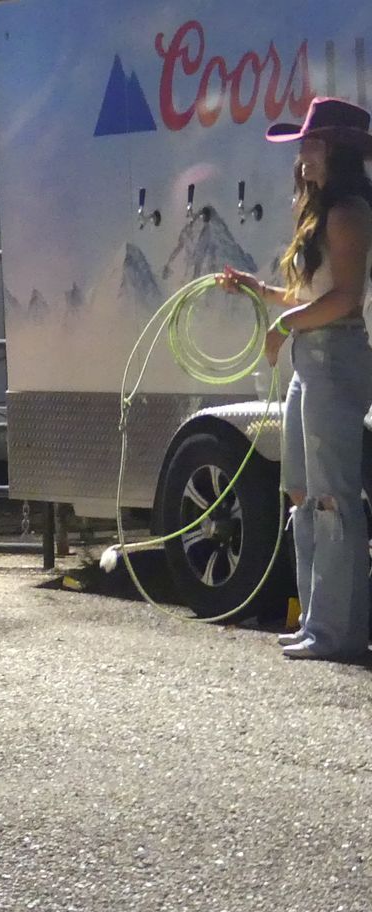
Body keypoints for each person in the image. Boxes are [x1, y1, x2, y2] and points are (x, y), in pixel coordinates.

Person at [219, 97, 372, 663]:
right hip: (314, 358)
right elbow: (312, 298)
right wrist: (261, 293)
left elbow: (345, 300)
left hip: (335, 357)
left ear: (335, 151)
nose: (302, 155)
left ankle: (338, 630)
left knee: (332, 497)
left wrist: (285, 322)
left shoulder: (347, 213)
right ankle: (317, 620)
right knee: (303, 491)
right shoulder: (323, 213)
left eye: (310, 144)